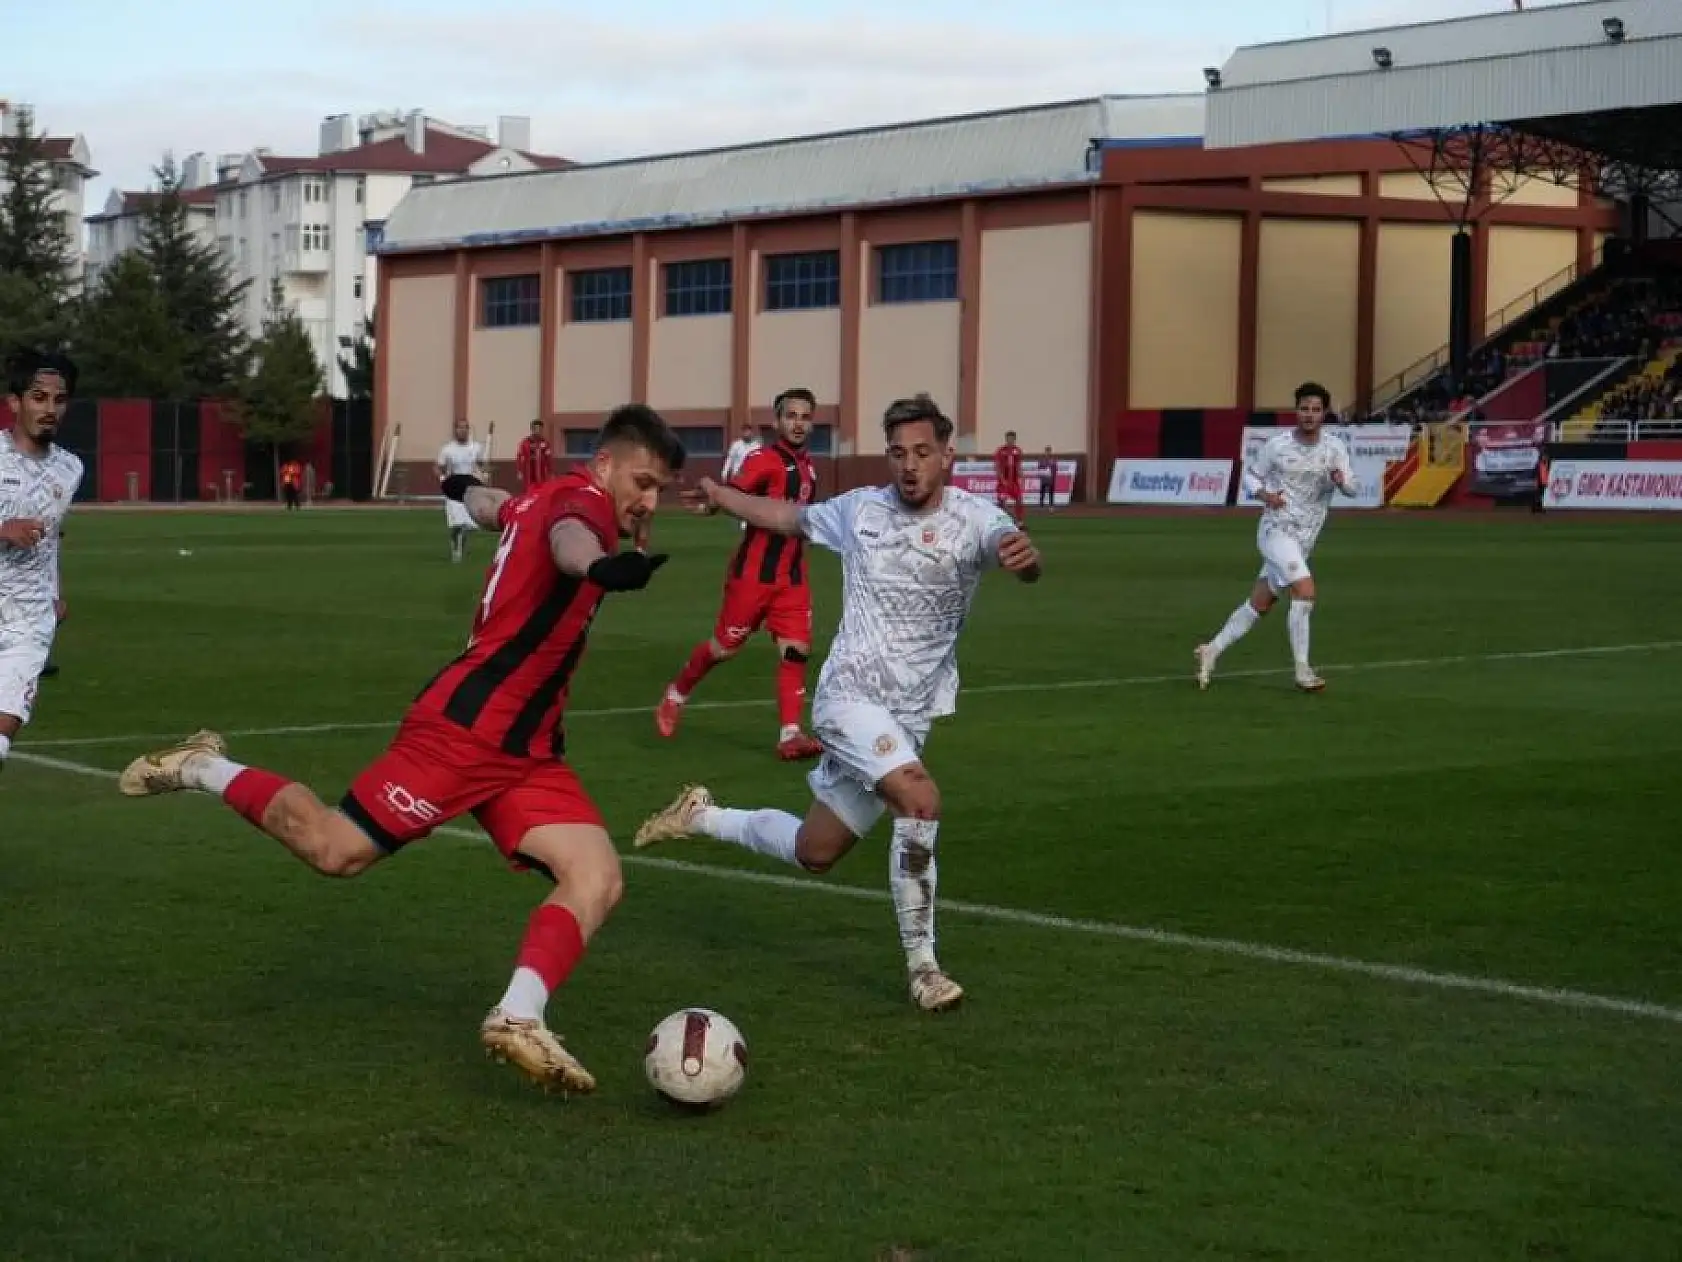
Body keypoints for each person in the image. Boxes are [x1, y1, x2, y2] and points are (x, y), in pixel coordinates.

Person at [115, 404, 687, 1095]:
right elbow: (570, 541)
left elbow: (494, 506)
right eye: (644, 481)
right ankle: (203, 765)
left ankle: (517, 1015)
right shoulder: (585, 509)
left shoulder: (543, 493)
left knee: (597, 875)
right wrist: (600, 568)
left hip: (526, 750)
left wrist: (458, 489)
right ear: (604, 466)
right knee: (335, 849)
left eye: (659, 489)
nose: (649, 500)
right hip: (463, 732)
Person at [635, 393, 1041, 1013]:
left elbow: (1010, 546)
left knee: (814, 850)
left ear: (948, 455)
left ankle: (701, 816)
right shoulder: (861, 511)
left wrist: (1025, 558)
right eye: (899, 453)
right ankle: (925, 969)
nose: (909, 465)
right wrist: (723, 499)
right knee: (920, 799)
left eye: (923, 452)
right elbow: (786, 516)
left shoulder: (976, 519)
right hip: (848, 698)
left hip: (907, 716)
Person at [656, 387, 823, 761]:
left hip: (792, 578)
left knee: (795, 652)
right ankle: (676, 693)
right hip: (753, 577)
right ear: (778, 421)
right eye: (791, 416)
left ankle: (790, 734)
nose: (798, 423)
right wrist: (714, 502)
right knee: (722, 649)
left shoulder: (811, 467)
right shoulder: (763, 460)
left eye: (805, 417)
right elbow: (734, 494)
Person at [1195, 381, 1357, 693]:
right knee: (1305, 591)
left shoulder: (1335, 448)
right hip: (1276, 530)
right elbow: (1251, 476)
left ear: (1325, 413)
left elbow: (1352, 486)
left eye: (1315, 410)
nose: (1309, 415)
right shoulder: (1277, 445)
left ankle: (1211, 650)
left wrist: (1341, 482)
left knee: (1261, 603)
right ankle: (1302, 670)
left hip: (1305, 537)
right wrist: (1266, 495)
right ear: (1296, 411)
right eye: (1304, 409)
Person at [0, 349, 85, 772]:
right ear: (14, 402)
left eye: (59, 399)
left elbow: (52, 537)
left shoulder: (70, 469)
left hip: (30, 618)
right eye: (38, 397)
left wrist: (54, 593)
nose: (49, 409)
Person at [436, 418, 486, 563]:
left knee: (467, 524)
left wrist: (484, 473)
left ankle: (460, 549)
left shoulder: (476, 447)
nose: (462, 430)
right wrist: (442, 477)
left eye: (465, 428)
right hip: (453, 488)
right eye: (459, 427)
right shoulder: (447, 449)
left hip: (470, 488)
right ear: (455, 430)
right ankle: (455, 546)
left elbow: (481, 464)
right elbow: (438, 466)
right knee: (457, 524)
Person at [994, 430, 1025, 527]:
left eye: (1012, 439)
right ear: (1006, 439)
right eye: (1008, 438)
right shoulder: (1000, 451)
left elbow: (1019, 465)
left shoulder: (1017, 451)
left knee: (1019, 499)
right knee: (1002, 502)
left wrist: (1021, 476)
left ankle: (1019, 522)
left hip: (1014, 482)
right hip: (1004, 482)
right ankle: (1002, 522)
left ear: (1014, 439)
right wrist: (1002, 479)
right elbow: (997, 466)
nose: (1010, 441)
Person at [517, 419, 553, 492]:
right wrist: (519, 471)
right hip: (529, 472)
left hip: (542, 473)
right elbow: (520, 457)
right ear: (532, 429)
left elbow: (549, 458)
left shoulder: (545, 443)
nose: (538, 431)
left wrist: (551, 471)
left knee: (542, 490)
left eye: (540, 429)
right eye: (536, 429)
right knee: (529, 490)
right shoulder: (526, 442)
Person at [1037, 445, 1058, 510]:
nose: (1048, 452)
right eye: (1047, 451)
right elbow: (1039, 468)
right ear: (1045, 452)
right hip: (1044, 479)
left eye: (1049, 451)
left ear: (1050, 452)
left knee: (1051, 492)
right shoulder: (1042, 459)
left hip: (1051, 479)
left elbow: (1056, 468)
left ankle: (1051, 505)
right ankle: (1041, 505)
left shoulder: (1053, 459)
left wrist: (1052, 473)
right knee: (1042, 492)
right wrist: (1043, 472)